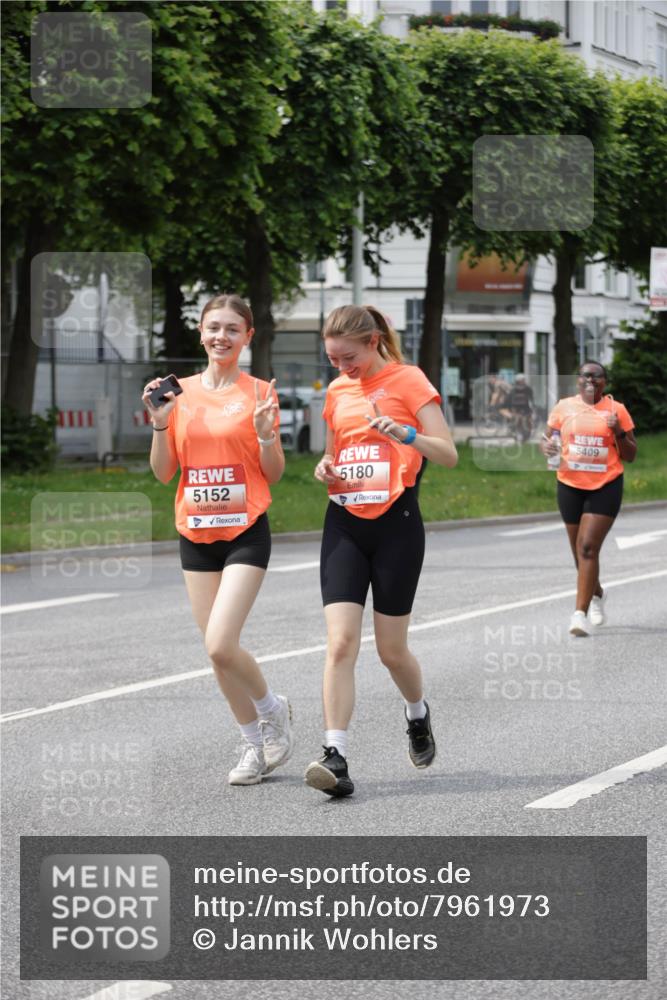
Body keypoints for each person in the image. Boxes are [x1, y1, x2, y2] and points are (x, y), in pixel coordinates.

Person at [305, 305, 458, 798]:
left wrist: (407, 434)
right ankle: (335, 755)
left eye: (348, 357)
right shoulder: (337, 391)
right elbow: (334, 451)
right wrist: (325, 467)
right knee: (340, 643)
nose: (341, 368)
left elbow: (448, 453)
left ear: (373, 342)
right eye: (333, 359)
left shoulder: (409, 381)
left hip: (397, 524)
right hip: (344, 522)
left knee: (391, 651)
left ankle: (417, 713)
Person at [142, 294, 293, 785]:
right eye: (213, 328)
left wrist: (266, 434)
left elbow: (274, 473)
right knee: (215, 653)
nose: (220, 337)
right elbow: (164, 473)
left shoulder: (259, 392)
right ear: (201, 333)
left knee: (222, 643)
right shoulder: (177, 394)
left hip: (245, 529)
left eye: (231, 329)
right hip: (195, 532)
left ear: (248, 336)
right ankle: (253, 746)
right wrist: (160, 423)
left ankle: (272, 711)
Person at [540, 361, 637, 637]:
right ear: (578, 380)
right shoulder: (563, 407)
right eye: (585, 376)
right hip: (569, 485)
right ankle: (597, 594)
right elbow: (548, 439)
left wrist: (618, 431)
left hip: (605, 485)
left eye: (597, 377)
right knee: (579, 554)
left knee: (587, 548)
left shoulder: (616, 410)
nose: (590, 381)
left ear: (605, 382)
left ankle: (578, 616)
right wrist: (547, 447)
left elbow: (631, 454)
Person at [508, 373, 534, 441]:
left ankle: (528, 433)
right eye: (522, 380)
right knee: (517, 421)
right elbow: (511, 399)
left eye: (523, 380)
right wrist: (512, 409)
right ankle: (516, 433)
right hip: (517, 408)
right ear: (518, 381)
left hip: (526, 408)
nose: (523, 381)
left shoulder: (528, 389)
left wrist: (532, 408)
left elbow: (531, 399)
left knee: (528, 420)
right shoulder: (513, 389)